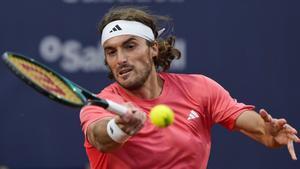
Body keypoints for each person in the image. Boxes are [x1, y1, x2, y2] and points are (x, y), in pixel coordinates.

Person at [80, 6, 300, 169]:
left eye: (130, 46)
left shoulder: (199, 89)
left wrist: (268, 131)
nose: (121, 59)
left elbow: (253, 126)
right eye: (111, 52)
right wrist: (119, 128)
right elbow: (100, 138)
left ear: (153, 49)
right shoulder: (100, 105)